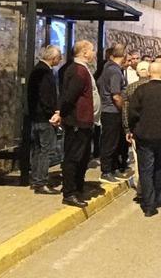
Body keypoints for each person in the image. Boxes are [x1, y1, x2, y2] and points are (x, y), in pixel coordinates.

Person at [127, 62, 161, 217]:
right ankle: (158, 197)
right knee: (160, 169)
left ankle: (149, 205)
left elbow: (132, 114)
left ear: (150, 73)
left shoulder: (141, 91)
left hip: (144, 136)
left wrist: (133, 129)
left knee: (146, 170)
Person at [57, 40, 99, 207]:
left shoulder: (82, 69)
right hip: (77, 121)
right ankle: (70, 192)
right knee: (74, 157)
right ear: (84, 52)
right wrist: (59, 112)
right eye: (92, 50)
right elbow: (69, 96)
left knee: (82, 157)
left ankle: (78, 187)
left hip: (84, 121)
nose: (94, 53)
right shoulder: (78, 71)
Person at [27, 45, 63, 195]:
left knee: (38, 150)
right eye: (59, 57)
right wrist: (53, 113)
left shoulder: (37, 69)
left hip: (36, 117)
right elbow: (45, 96)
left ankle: (36, 179)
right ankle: (41, 182)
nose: (60, 60)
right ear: (53, 58)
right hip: (44, 118)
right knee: (46, 150)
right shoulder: (44, 72)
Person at [97, 43, 128, 184]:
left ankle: (113, 168)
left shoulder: (108, 68)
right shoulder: (115, 71)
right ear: (124, 55)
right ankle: (106, 171)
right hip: (112, 111)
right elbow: (116, 94)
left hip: (109, 110)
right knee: (110, 142)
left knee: (114, 141)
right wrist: (123, 109)